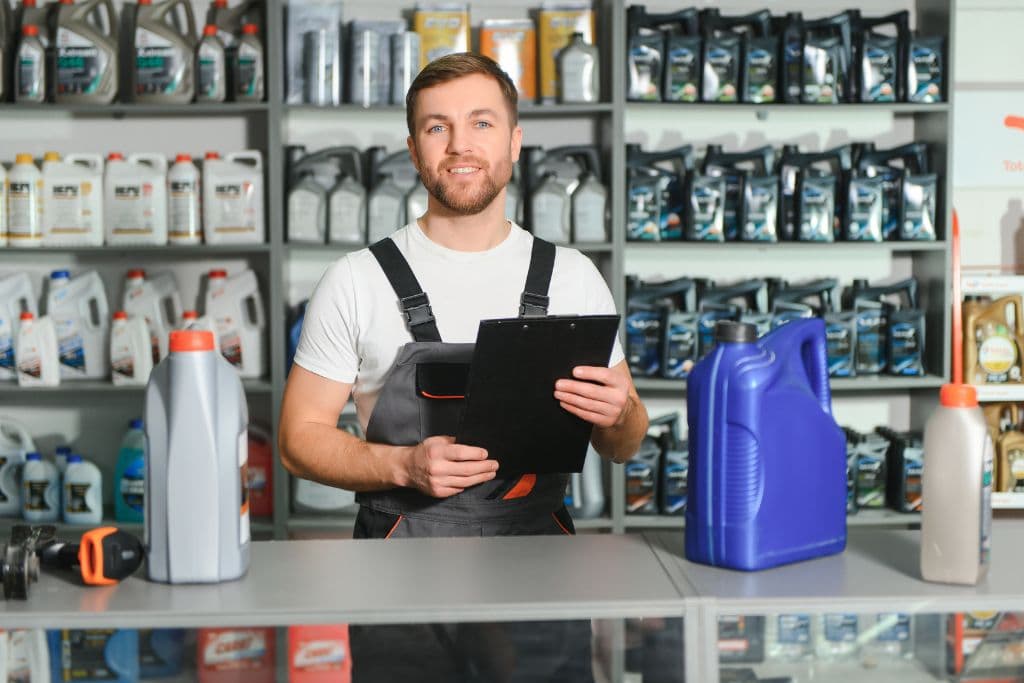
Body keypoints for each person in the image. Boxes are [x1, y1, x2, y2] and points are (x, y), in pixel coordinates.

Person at [278, 53, 649, 682]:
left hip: (538, 568)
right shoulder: (356, 281)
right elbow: (296, 440)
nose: (459, 145)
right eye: (437, 126)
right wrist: (402, 464)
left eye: (481, 122)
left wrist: (621, 413)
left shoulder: (571, 278)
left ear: (515, 140)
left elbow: (624, 443)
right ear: (415, 148)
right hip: (400, 572)